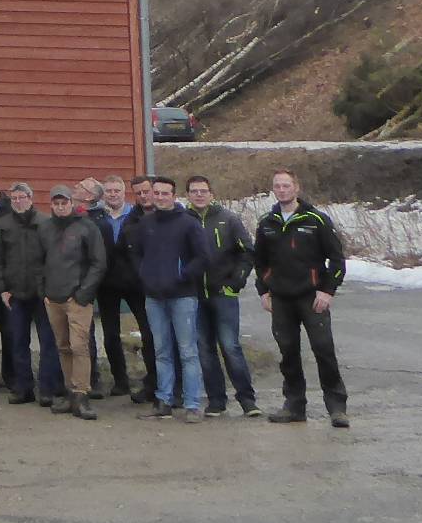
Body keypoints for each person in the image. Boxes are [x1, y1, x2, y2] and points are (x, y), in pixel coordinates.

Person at [255, 171, 351, 428]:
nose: (282, 190)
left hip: (312, 297)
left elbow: (337, 259)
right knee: (288, 353)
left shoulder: (316, 219)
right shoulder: (267, 223)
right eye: (277, 186)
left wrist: (327, 290)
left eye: (286, 185)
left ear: (296, 188)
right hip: (281, 299)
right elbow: (259, 261)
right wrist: (264, 291)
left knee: (323, 350)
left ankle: (337, 407)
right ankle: (294, 406)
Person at [131, 176, 211, 420]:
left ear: (174, 196)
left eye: (165, 193)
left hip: (183, 297)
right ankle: (163, 400)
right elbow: (136, 254)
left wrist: (182, 276)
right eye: (156, 193)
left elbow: (203, 257)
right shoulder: (146, 224)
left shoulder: (188, 223)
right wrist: (145, 275)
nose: (160, 197)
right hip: (154, 297)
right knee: (161, 351)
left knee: (188, 352)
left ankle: (192, 404)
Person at [187, 174, 261, 417]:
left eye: (203, 191)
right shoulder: (183, 221)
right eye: (194, 191)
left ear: (211, 194)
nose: (199, 195)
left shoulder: (228, 219)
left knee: (230, 346)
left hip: (223, 294)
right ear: (188, 195)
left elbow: (247, 252)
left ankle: (247, 400)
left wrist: (237, 280)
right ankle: (216, 400)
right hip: (195, 296)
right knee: (204, 349)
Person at [39, 184, 104, 419]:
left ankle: (81, 394)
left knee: (79, 347)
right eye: (56, 203)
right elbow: (39, 262)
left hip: (77, 299)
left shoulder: (86, 227)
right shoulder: (45, 228)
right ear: (51, 205)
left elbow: (98, 262)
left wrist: (83, 293)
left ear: (71, 203)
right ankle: (69, 392)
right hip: (53, 298)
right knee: (63, 347)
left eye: (64, 202)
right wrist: (44, 292)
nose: (60, 207)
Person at [92, 174, 157, 403]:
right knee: (110, 334)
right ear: (103, 194)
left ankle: (152, 379)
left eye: (116, 190)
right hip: (106, 284)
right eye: (108, 191)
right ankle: (120, 381)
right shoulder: (98, 217)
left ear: (123, 192)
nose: (113, 194)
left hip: (135, 283)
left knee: (148, 331)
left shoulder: (135, 215)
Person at [0, 181, 50, 404]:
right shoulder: (3, 224)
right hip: (14, 293)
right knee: (18, 341)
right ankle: (23, 388)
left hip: (41, 293)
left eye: (22, 197)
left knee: (47, 342)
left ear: (30, 199)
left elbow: (51, 258)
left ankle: (48, 389)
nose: (18, 202)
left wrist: (48, 289)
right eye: (14, 198)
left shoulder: (44, 223)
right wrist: (2, 289)